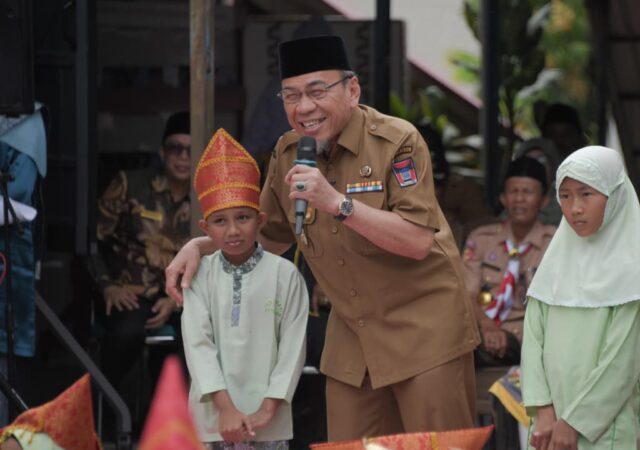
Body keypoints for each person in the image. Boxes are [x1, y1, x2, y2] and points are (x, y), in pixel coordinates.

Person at [166, 35, 479, 441]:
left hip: (423, 332)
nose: (305, 108)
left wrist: (337, 203)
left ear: (352, 90)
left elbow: (418, 240)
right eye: (291, 95)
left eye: (317, 91)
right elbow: (271, 236)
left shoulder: (396, 141)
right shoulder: (288, 152)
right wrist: (197, 246)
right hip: (354, 337)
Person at [521, 146, 640, 450]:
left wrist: (574, 422)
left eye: (587, 194)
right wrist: (544, 411)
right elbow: (533, 340)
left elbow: (622, 363)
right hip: (549, 429)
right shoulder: (554, 264)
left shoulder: (631, 275)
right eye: (565, 195)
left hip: (605, 431)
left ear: (614, 196)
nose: (574, 208)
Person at [182, 129, 308, 448]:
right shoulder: (199, 275)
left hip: (269, 420)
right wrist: (225, 409)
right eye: (220, 221)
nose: (234, 230)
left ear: (261, 220)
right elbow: (198, 346)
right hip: (213, 419)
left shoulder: (285, 274)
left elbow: (293, 348)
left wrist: (269, 408)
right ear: (205, 228)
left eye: (243, 217)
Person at [91, 111, 191, 400]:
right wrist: (107, 284)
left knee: (198, 341)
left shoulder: (205, 197)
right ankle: (108, 409)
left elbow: (215, 257)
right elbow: (92, 242)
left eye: (191, 150)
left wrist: (175, 301)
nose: (183, 157)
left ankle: (163, 427)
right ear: (162, 152)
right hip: (129, 292)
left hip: (182, 297)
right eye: (175, 148)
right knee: (127, 334)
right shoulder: (129, 184)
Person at [462, 157, 555, 367]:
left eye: (528, 192)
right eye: (513, 192)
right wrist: (487, 326)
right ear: (503, 198)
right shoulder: (481, 239)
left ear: (544, 201)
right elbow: (467, 293)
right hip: (483, 331)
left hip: (530, 339)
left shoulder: (556, 244)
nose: (519, 199)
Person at [512, 137, 562, 226]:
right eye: (529, 161)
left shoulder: (564, 200)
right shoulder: (513, 201)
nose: (535, 167)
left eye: (541, 161)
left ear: (552, 166)